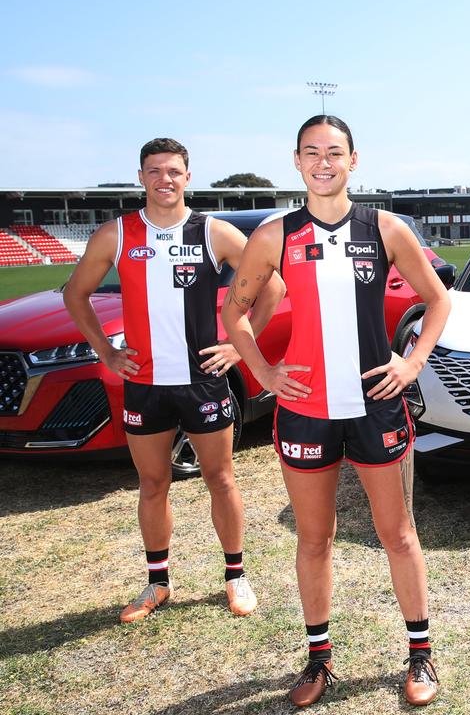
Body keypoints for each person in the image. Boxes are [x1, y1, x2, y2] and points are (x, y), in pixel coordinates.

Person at [221, 115, 451, 707]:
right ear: (296, 161)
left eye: (335, 152)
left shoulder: (387, 229)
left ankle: (421, 654)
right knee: (314, 539)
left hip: (376, 406)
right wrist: (265, 373)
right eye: (311, 153)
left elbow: (438, 298)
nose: (324, 162)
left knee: (397, 535)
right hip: (306, 412)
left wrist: (412, 361)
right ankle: (319, 660)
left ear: (354, 160)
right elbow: (236, 315)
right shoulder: (274, 235)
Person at [64, 137, 283, 623]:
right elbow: (76, 294)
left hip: (201, 381)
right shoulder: (116, 234)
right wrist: (105, 350)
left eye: (174, 171)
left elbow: (274, 285)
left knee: (221, 479)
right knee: (152, 482)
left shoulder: (214, 232)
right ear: (141, 177)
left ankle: (235, 576)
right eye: (155, 170)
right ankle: (157, 583)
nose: (165, 179)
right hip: (144, 383)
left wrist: (236, 345)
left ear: (188, 177)